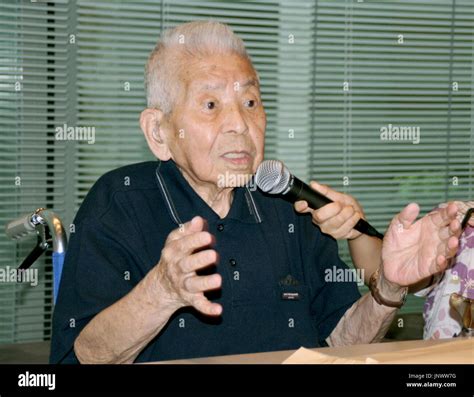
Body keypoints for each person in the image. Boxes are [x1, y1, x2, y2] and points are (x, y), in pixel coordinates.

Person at [50, 21, 461, 364]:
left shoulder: (289, 207)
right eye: (210, 105)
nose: (239, 124)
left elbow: (339, 345)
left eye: (250, 101)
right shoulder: (120, 202)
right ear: (159, 132)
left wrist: (388, 289)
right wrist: (161, 292)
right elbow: (81, 355)